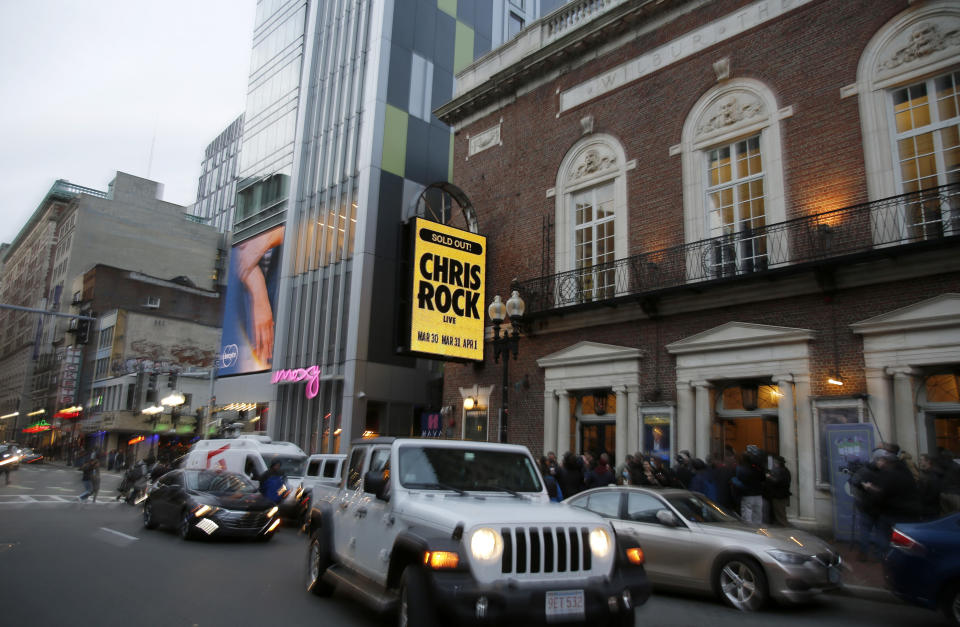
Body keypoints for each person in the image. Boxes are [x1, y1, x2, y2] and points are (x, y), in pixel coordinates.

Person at [732, 445, 765, 524]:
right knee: (758, 517)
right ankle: (758, 532)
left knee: (747, 518)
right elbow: (763, 478)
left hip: (747, 495)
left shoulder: (741, 469)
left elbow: (740, 481)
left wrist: (734, 481)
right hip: (758, 494)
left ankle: (750, 532)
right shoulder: (758, 468)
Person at [765, 455, 792, 526]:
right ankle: (784, 526)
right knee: (782, 512)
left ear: (777, 462)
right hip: (784, 494)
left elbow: (776, 481)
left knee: (780, 513)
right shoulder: (786, 470)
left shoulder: (778, 471)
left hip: (778, 495)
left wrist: (769, 476)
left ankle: (785, 528)